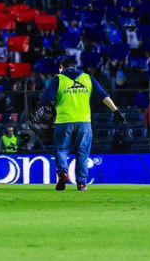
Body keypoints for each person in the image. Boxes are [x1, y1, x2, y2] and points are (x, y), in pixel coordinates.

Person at [43, 58, 123, 191]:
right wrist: (116, 111)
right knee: (82, 153)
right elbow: (103, 95)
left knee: (61, 149)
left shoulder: (58, 79)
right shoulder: (87, 78)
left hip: (64, 120)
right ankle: (81, 183)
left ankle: (63, 173)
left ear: (62, 67)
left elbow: (46, 99)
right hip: (84, 122)